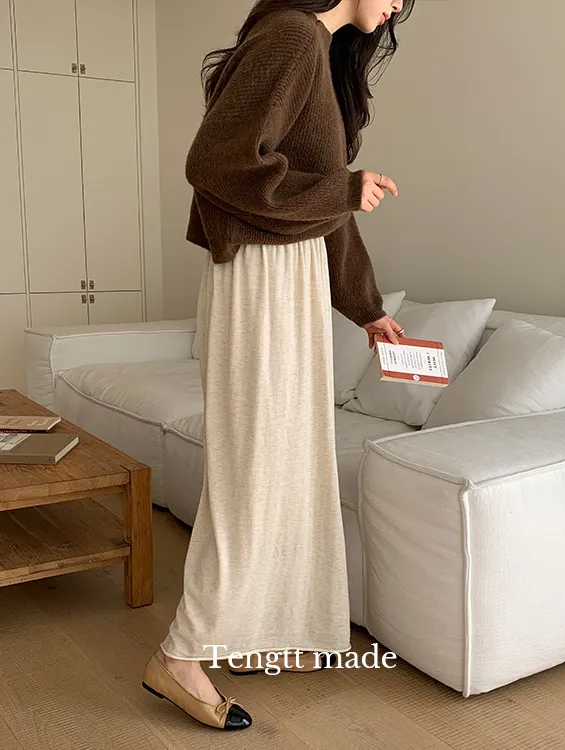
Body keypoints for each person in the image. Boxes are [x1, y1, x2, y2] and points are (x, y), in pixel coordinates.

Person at [142, 0, 414, 731]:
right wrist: (345, 189)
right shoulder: (292, 36)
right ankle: (180, 655)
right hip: (260, 279)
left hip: (290, 278)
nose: (398, 6)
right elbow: (214, 164)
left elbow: (320, 204)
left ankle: (262, 632)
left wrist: (367, 307)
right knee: (254, 470)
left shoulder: (317, 50)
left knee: (292, 463)